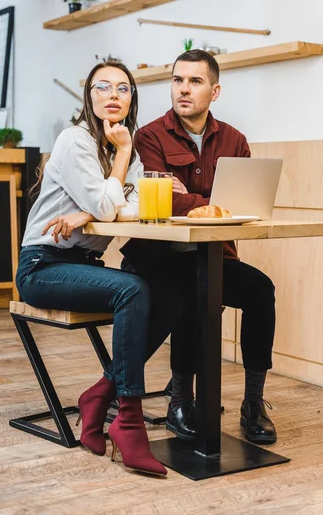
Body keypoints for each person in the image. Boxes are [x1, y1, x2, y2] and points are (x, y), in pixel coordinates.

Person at [15, 60, 167, 476]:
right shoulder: (76, 140)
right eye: (104, 87)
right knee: (133, 289)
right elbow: (109, 206)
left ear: (132, 97)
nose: (114, 95)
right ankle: (130, 423)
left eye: (123, 88)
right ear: (90, 96)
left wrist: (90, 210)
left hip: (83, 263)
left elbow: (133, 209)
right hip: (43, 267)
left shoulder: (125, 147)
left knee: (168, 295)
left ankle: (100, 396)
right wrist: (112, 173)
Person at [122, 49, 277, 445]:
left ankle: (253, 403)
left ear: (215, 90)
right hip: (157, 259)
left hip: (214, 255)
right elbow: (159, 199)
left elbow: (246, 205)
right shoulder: (149, 136)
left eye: (195, 81)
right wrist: (210, 203)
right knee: (194, 291)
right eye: (177, 80)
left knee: (262, 291)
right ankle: (179, 402)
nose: (183, 89)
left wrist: (191, 198)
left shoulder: (235, 140)